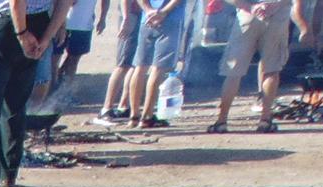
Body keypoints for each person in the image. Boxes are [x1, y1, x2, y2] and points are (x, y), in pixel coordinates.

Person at [0, 0, 71, 187]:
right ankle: (9, 175)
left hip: (8, 23)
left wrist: (22, 33)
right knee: (16, 104)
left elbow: (17, 2)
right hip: (40, 21)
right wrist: (47, 37)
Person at [209, 0, 311, 132]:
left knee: (233, 73)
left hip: (247, 15)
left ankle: (221, 121)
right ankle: (265, 120)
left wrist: (250, 7)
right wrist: (277, 5)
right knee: (272, 70)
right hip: (277, 16)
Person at [126, 0, 188, 126]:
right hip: (170, 19)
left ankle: (134, 115)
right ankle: (147, 116)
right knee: (157, 69)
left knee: (140, 67)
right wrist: (163, 12)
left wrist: (148, 10)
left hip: (147, 19)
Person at [94, 0, 141, 121]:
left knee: (134, 64)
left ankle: (124, 106)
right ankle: (106, 109)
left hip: (140, 15)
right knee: (123, 64)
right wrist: (126, 18)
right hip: (131, 15)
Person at [53, 0, 101, 91]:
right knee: (55, 60)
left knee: (73, 59)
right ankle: (52, 91)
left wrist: (102, 17)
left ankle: (65, 93)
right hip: (63, 23)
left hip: (84, 25)